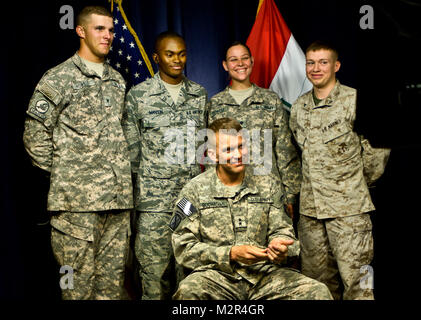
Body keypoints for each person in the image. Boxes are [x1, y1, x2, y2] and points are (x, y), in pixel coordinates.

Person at [23, 6, 133, 300]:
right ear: (81, 31)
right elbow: (35, 136)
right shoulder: (58, 78)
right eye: (99, 29)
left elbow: (121, 134)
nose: (107, 36)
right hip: (75, 207)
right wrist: (67, 174)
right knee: (75, 289)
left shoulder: (117, 81)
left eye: (111, 30)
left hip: (117, 202)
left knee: (111, 289)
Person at [170, 118, 332, 300]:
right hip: (217, 277)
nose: (238, 154)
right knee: (189, 291)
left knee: (318, 292)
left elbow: (284, 233)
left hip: (264, 276)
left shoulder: (269, 184)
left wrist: (281, 247)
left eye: (241, 146)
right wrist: (230, 254)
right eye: (228, 149)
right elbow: (183, 247)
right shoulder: (193, 191)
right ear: (213, 155)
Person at [122, 31, 208, 300]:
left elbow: (207, 147)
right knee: (154, 275)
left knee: (190, 273)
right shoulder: (139, 96)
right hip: (153, 205)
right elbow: (131, 153)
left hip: (189, 202)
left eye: (182, 53)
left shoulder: (199, 94)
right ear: (156, 57)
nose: (177, 60)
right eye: (170, 54)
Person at [289, 40, 377, 300]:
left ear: (336, 66)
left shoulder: (355, 100)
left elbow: (375, 152)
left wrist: (354, 185)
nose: (316, 68)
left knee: (359, 285)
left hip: (349, 211)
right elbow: (298, 154)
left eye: (323, 62)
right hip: (310, 214)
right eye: (311, 63)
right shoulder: (298, 107)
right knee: (316, 287)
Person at [208, 41, 301, 218]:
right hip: (229, 194)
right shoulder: (214, 105)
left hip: (268, 192)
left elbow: (285, 151)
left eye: (244, 58)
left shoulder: (270, 100)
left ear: (252, 61)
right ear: (225, 65)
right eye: (234, 60)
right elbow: (212, 155)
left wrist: (290, 195)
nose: (240, 64)